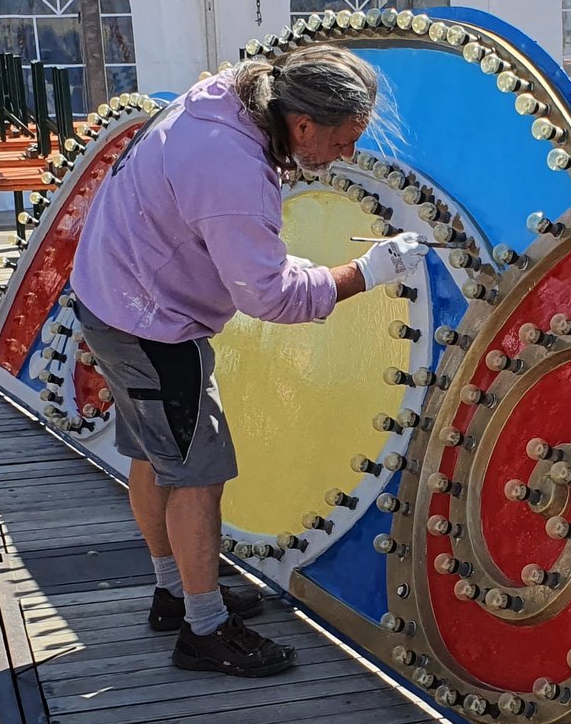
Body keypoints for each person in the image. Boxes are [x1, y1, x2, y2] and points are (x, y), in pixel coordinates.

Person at [69, 46, 425, 678]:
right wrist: (369, 271)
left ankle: (175, 592)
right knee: (198, 474)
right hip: (150, 323)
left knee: (156, 454)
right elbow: (271, 297)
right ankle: (204, 632)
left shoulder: (234, 96)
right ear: (304, 125)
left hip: (111, 294)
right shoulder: (230, 169)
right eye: (344, 141)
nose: (347, 156)